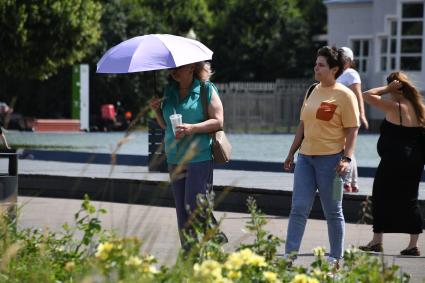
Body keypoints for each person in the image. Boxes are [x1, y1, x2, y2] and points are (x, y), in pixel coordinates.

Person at [283, 46, 360, 266]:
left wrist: (346, 158)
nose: (316, 67)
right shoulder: (312, 90)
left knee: (333, 211)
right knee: (298, 208)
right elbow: (303, 125)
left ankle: (336, 258)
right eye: (316, 63)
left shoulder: (344, 95)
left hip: (331, 162)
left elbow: (352, 129)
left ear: (334, 69)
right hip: (305, 159)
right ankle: (289, 258)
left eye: (321, 65)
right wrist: (291, 153)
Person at [149, 61, 226, 249]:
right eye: (171, 68)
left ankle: (213, 233)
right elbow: (166, 125)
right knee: (182, 213)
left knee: (193, 205)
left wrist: (192, 128)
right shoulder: (169, 91)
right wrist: (157, 110)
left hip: (199, 156)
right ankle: (188, 255)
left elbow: (218, 121)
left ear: (191, 67)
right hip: (174, 157)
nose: (172, 71)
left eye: (178, 67)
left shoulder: (206, 89)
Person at [359, 72, 424, 256]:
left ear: (395, 88)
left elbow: (366, 95)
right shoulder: (419, 108)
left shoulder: (395, 106)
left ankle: (376, 241)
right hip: (415, 161)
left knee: (380, 195)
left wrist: (386, 89)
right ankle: (413, 245)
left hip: (394, 160)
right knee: (410, 199)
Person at [337, 47, 369, 193]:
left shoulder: (351, 73)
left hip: (348, 115)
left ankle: (348, 182)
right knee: (348, 149)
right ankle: (353, 183)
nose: (339, 58)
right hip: (339, 116)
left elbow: (358, 94)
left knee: (346, 148)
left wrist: (362, 114)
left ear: (349, 60)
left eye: (342, 57)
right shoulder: (339, 74)